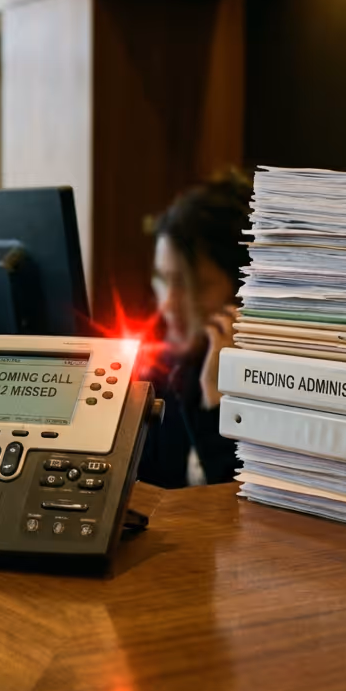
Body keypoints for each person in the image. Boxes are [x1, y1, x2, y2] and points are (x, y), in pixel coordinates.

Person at [137, 172, 252, 488]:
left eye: (193, 286)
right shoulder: (164, 370)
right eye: (163, 279)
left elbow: (244, 511)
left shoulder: (274, 382)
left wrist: (216, 398)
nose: (168, 304)